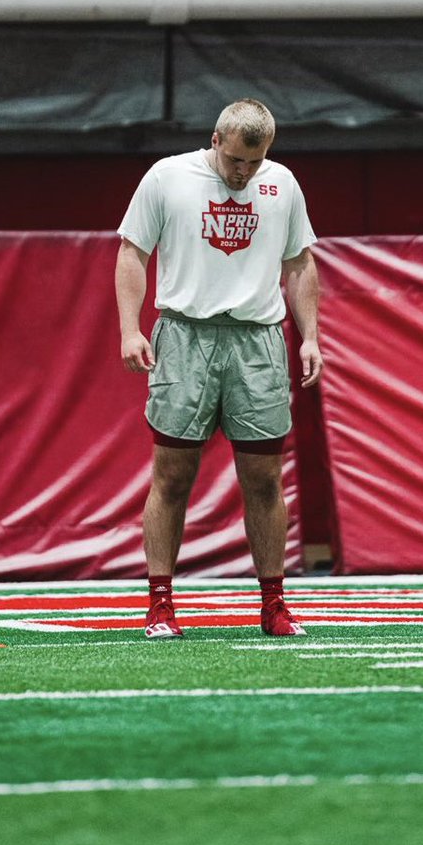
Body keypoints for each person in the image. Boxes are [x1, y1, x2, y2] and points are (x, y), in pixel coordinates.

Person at [115, 98, 323, 639]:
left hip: (257, 340)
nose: (243, 172)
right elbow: (132, 252)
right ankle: (160, 604)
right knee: (174, 475)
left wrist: (310, 337)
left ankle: (274, 605)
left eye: (254, 163)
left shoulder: (283, 185)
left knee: (263, 478)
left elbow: (300, 262)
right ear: (215, 140)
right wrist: (130, 328)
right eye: (234, 160)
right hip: (185, 334)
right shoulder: (167, 177)